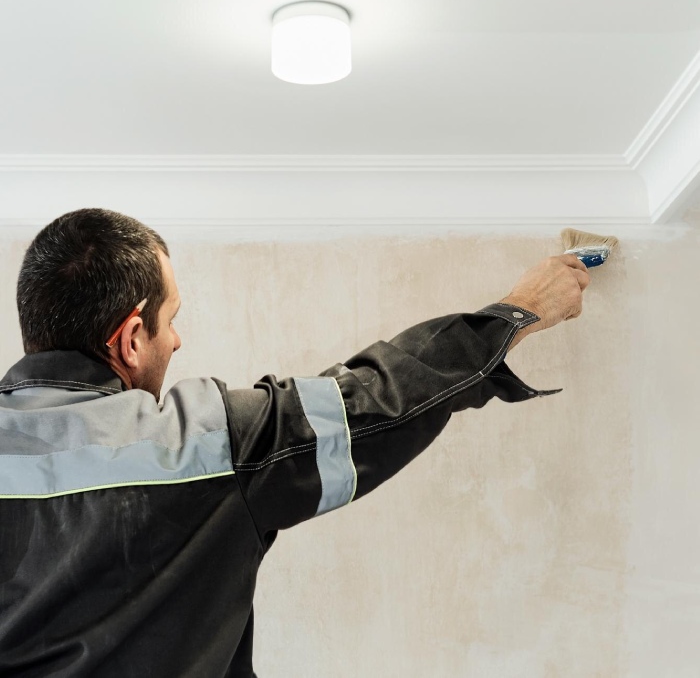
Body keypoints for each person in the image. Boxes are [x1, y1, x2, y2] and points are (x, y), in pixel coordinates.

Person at [0, 208, 590, 677]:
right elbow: (379, 400)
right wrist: (521, 311)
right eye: (171, 318)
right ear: (131, 338)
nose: (176, 340)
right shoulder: (203, 445)